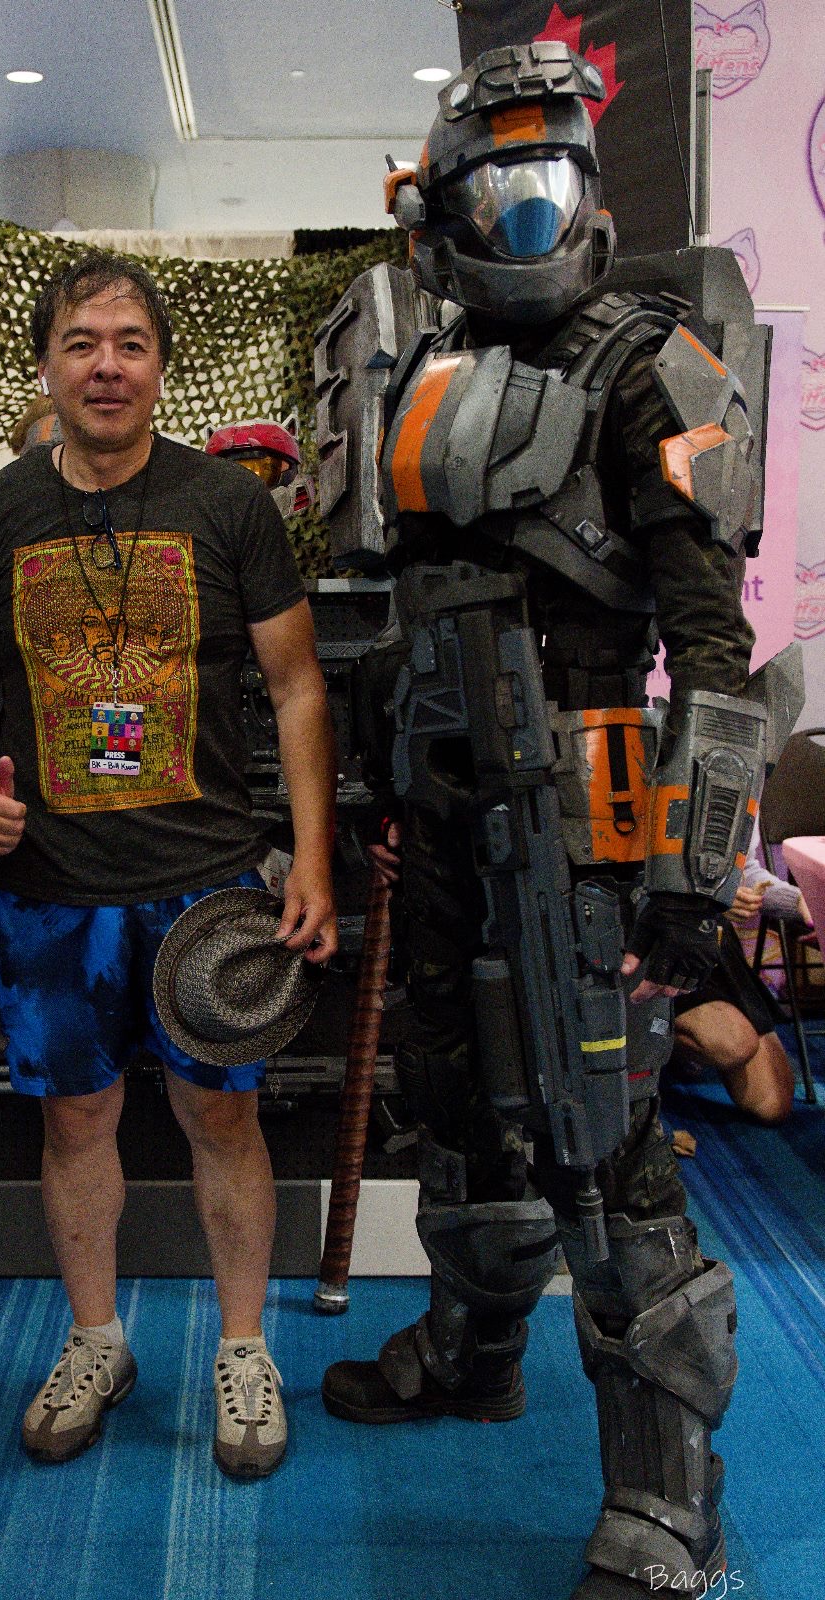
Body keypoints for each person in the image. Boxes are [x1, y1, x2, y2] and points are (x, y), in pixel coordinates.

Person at [317, 44, 772, 1600]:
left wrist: (691, 876)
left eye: (547, 187)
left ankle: (663, 1497)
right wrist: (378, 778)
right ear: (437, 212)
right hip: (439, 795)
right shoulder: (414, 363)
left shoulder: (647, 363)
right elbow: (386, 598)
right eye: (492, 192)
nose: (523, 219)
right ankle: (472, 1349)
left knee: (603, 1135)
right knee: (451, 1092)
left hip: (584, 801)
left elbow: (711, 647)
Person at [0, 250, 337, 1480]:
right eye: (81, 343)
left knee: (222, 1113)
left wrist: (312, 857)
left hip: (206, 883)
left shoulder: (226, 506)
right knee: (74, 1118)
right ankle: (95, 1339)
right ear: (45, 366)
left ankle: (245, 1349)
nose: (105, 366)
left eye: (129, 344)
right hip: (52, 887)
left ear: (159, 366)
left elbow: (297, 686)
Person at [669, 836, 801, 1123]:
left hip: (712, 940)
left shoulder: (752, 802)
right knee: (734, 1044)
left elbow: (747, 870)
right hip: (654, 933)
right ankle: (645, 1038)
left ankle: (668, 1046)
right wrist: (703, 899)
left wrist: (802, 902)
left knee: (773, 1104)